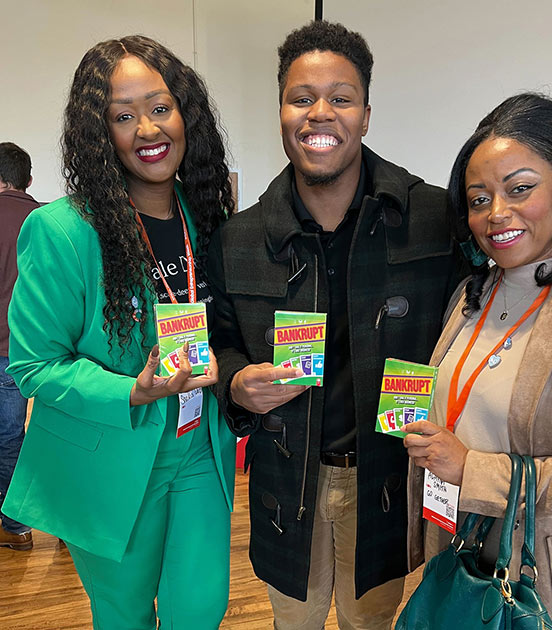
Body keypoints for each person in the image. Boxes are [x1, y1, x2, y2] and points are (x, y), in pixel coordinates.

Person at [208, 20, 465, 630]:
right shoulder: (239, 238)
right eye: (302, 98)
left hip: (388, 475)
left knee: (369, 623)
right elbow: (218, 342)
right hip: (283, 481)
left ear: (367, 113)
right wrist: (237, 382)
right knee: (290, 622)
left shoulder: (431, 218)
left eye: (341, 98)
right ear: (281, 111)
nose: (320, 113)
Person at [3, 36, 236, 630]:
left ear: (186, 113)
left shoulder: (206, 212)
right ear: (98, 134)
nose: (147, 129)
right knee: (124, 615)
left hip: (198, 450)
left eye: (160, 108)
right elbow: (33, 366)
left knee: (200, 609)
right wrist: (131, 390)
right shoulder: (60, 231)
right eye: (122, 116)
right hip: (112, 455)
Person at [403, 92, 552, 630]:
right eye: (479, 199)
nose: (496, 214)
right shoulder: (471, 295)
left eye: (520, 189)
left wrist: (472, 470)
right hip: (461, 572)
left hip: (549, 594)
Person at [0, 142, 39, 551]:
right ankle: (68, 524)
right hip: (56, 351)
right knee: (59, 434)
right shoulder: (51, 218)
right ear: (28, 180)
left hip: (5, 352)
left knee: (9, 436)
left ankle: (15, 525)